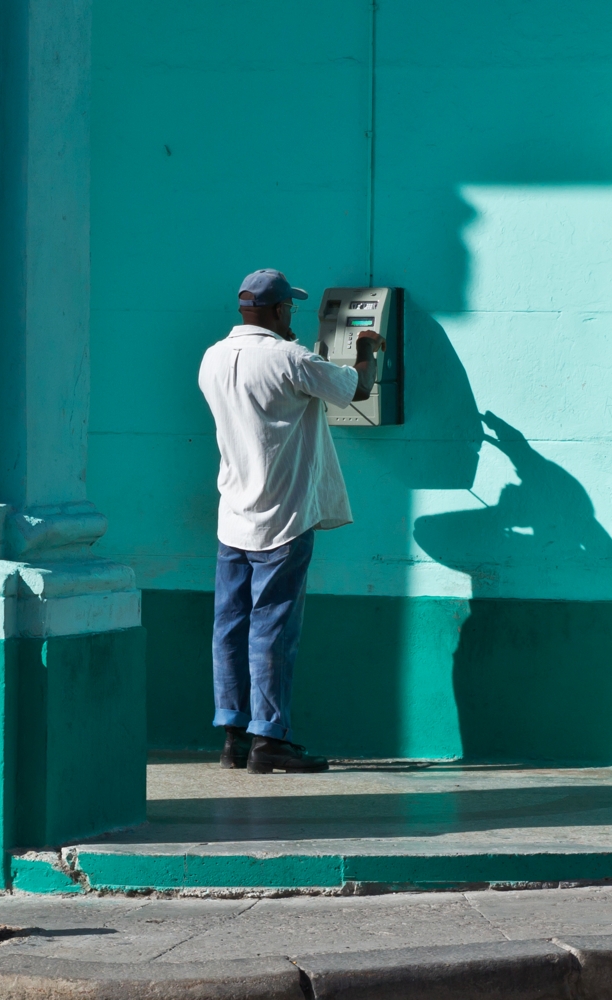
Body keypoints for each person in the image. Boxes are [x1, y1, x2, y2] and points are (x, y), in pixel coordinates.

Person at [197, 269, 384, 774]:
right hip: (283, 517)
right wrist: (367, 348)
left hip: (233, 516)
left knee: (229, 629)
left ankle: (233, 737)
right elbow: (359, 389)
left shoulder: (212, 358)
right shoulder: (292, 359)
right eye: (290, 311)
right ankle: (269, 740)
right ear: (279, 311)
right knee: (273, 630)